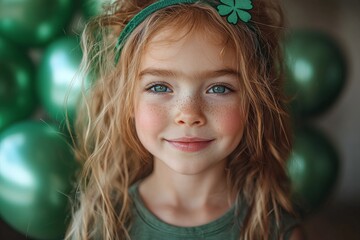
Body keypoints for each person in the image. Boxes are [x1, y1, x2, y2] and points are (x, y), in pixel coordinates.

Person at [66, 0, 306, 239]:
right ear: (127, 100)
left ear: (254, 101)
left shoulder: (274, 231)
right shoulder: (102, 225)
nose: (189, 115)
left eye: (219, 89)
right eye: (159, 87)